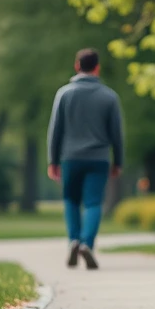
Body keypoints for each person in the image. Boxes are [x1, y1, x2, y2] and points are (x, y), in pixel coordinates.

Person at [47, 48, 124, 269]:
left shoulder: (64, 94)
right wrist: (118, 161)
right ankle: (87, 244)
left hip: (70, 158)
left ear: (77, 66)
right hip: (99, 158)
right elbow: (116, 134)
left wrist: (53, 160)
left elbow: (55, 130)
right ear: (97, 68)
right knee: (93, 202)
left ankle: (74, 240)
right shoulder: (110, 96)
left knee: (71, 201)